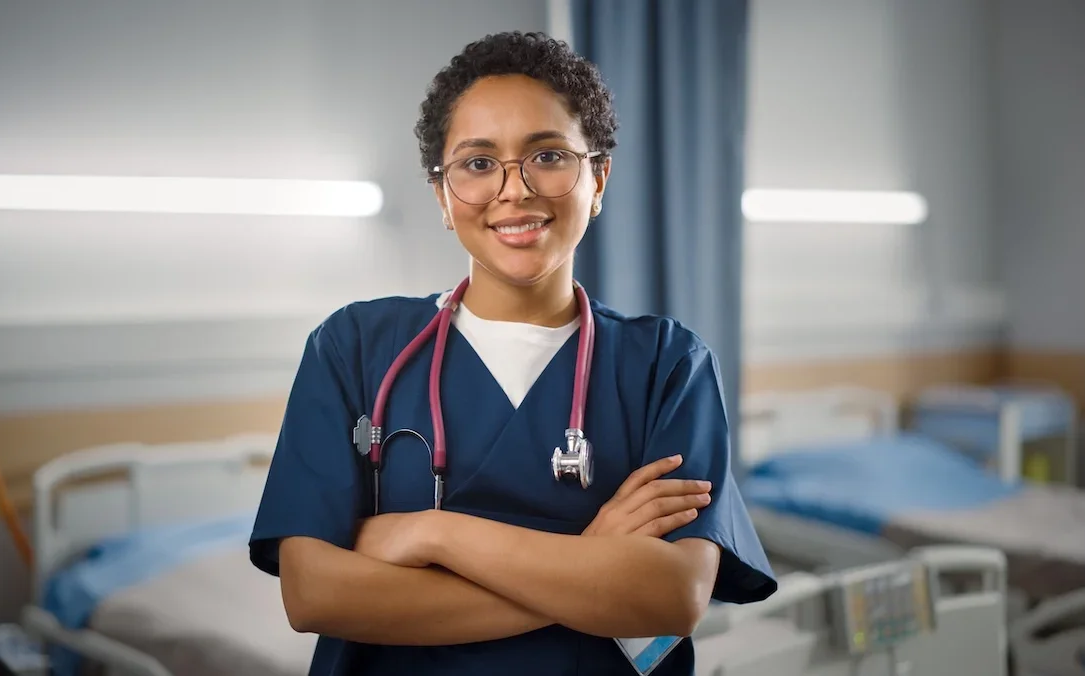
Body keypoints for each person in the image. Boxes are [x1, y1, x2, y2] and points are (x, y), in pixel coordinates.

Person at [249, 30, 777, 676]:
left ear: (598, 178)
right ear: (443, 195)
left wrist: (430, 533)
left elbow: (672, 595)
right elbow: (314, 594)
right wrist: (590, 565)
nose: (514, 189)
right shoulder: (354, 348)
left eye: (547, 155)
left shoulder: (667, 364)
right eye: (477, 163)